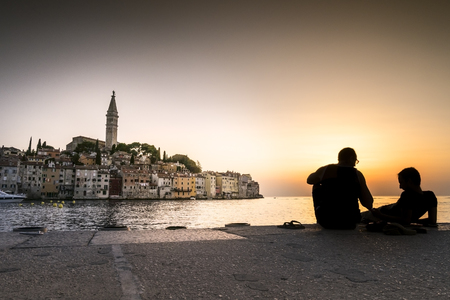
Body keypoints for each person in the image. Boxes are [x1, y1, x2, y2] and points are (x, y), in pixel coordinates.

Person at [307, 147, 373, 229]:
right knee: (358, 186)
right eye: (356, 161)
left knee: (316, 185)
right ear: (351, 158)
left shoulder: (326, 170)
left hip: (326, 221)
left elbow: (309, 180)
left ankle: (322, 214)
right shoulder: (357, 175)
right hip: (350, 222)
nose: (355, 164)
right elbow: (368, 203)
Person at [369, 167, 437, 226]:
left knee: (361, 217)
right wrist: (413, 221)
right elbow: (432, 221)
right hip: (385, 209)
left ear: (409, 181)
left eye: (401, 182)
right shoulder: (430, 196)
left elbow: (405, 221)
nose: (400, 187)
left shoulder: (407, 195)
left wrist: (380, 216)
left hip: (381, 214)